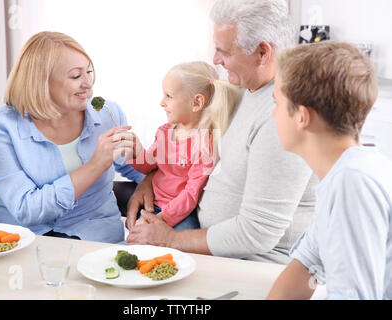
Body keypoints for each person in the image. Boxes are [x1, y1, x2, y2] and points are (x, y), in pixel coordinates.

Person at [126, 0, 318, 265]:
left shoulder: (283, 115)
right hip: (207, 249)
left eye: (224, 51)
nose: (216, 60)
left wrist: (168, 239)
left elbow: (257, 233)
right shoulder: (240, 91)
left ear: (262, 53)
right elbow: (189, 149)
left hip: (253, 264)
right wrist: (151, 180)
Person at [0, 31, 143, 242]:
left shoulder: (107, 114)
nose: (88, 84)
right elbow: (26, 209)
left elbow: (137, 167)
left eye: (88, 72)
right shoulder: (2, 127)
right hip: (21, 239)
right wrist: (95, 165)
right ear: (41, 82)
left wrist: (147, 178)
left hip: (95, 236)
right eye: (76, 76)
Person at [267, 41, 392, 300]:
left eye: (277, 102)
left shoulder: (352, 183)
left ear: (302, 116)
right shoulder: (349, 170)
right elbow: (306, 263)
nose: (273, 114)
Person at [126, 61, 242, 231]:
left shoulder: (204, 144)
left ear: (197, 102)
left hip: (179, 214)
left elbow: (191, 194)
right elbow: (148, 166)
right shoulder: (164, 131)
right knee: (135, 238)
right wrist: (135, 151)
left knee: (181, 246)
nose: (161, 102)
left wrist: (159, 220)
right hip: (152, 205)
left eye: (169, 96)